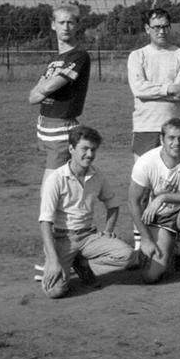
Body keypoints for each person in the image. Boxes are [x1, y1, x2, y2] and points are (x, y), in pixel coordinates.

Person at [38, 126, 137, 298]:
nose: (90, 154)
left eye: (93, 149)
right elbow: (45, 222)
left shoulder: (97, 175)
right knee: (54, 291)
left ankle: (83, 265)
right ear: (71, 149)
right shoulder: (55, 179)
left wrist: (108, 231)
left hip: (89, 237)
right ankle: (70, 264)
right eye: (84, 149)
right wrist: (53, 261)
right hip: (62, 239)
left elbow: (113, 205)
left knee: (127, 256)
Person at [127, 8, 180, 250]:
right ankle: (141, 240)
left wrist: (156, 90)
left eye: (165, 26)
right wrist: (168, 89)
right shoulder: (137, 56)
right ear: (147, 28)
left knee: (176, 185)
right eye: (156, 27)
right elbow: (138, 89)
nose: (161, 31)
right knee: (144, 187)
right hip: (145, 127)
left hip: (175, 128)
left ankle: (175, 237)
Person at [128, 118, 180, 290]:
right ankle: (177, 249)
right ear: (161, 139)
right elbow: (133, 201)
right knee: (150, 276)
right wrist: (145, 238)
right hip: (161, 219)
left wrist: (163, 197)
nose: (176, 143)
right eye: (171, 138)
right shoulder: (146, 161)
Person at [29, 4, 91, 189]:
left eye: (70, 22)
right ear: (53, 24)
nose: (66, 27)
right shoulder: (55, 60)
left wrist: (44, 88)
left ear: (77, 25)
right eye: (61, 22)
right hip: (45, 126)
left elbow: (49, 86)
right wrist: (44, 88)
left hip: (61, 127)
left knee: (52, 185)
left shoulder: (79, 56)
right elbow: (32, 97)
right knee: (62, 183)